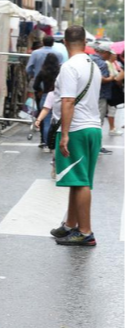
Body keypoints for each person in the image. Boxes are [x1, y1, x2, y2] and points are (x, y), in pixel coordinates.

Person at [49, 26, 103, 246]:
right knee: (78, 179)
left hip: (76, 129)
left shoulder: (69, 66)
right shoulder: (93, 65)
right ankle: (70, 224)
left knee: (80, 182)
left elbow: (68, 100)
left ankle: (85, 231)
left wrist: (65, 135)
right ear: (84, 42)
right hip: (93, 128)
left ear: (64, 42)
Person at [89, 42, 116, 149]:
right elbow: (101, 79)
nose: (110, 56)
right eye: (109, 53)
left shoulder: (89, 59)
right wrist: (111, 78)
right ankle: (97, 146)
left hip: (89, 95)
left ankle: (91, 144)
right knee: (98, 121)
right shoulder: (102, 63)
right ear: (104, 52)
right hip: (101, 95)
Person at [33, 53, 60, 148]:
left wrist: (40, 90)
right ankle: (54, 141)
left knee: (47, 122)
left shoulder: (42, 72)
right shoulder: (59, 71)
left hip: (45, 96)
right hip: (58, 96)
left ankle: (46, 142)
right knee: (57, 121)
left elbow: (35, 85)